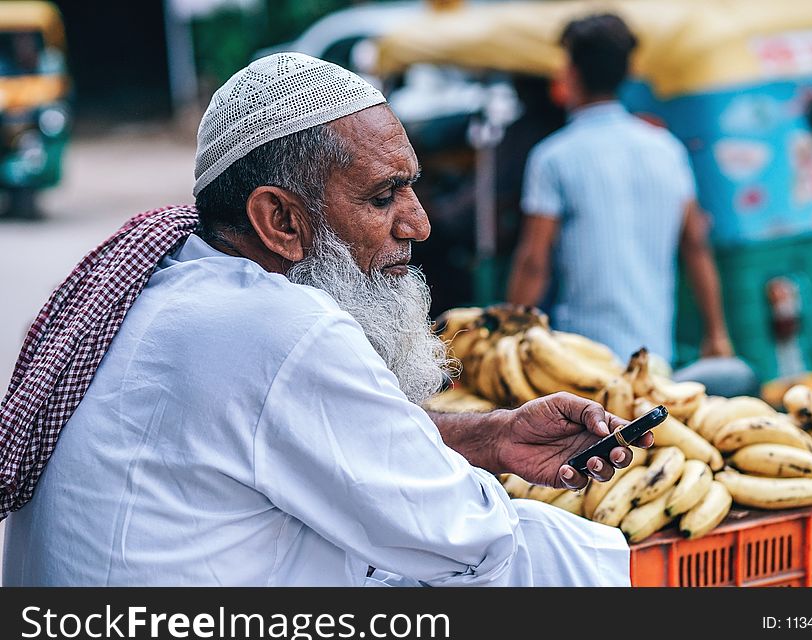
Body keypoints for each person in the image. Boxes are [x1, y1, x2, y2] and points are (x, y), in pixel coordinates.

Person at [0, 53, 651, 587]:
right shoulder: (276, 325)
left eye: (412, 186)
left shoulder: (178, 288)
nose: (418, 222)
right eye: (383, 195)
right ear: (279, 220)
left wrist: (491, 436)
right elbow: (470, 538)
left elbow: (304, 438)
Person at [506, 14, 758, 396]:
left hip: (582, 363)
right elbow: (696, 245)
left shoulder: (553, 157)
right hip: (657, 356)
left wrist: (507, 344)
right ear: (626, 73)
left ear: (570, 73)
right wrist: (716, 334)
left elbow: (533, 262)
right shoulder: (666, 148)